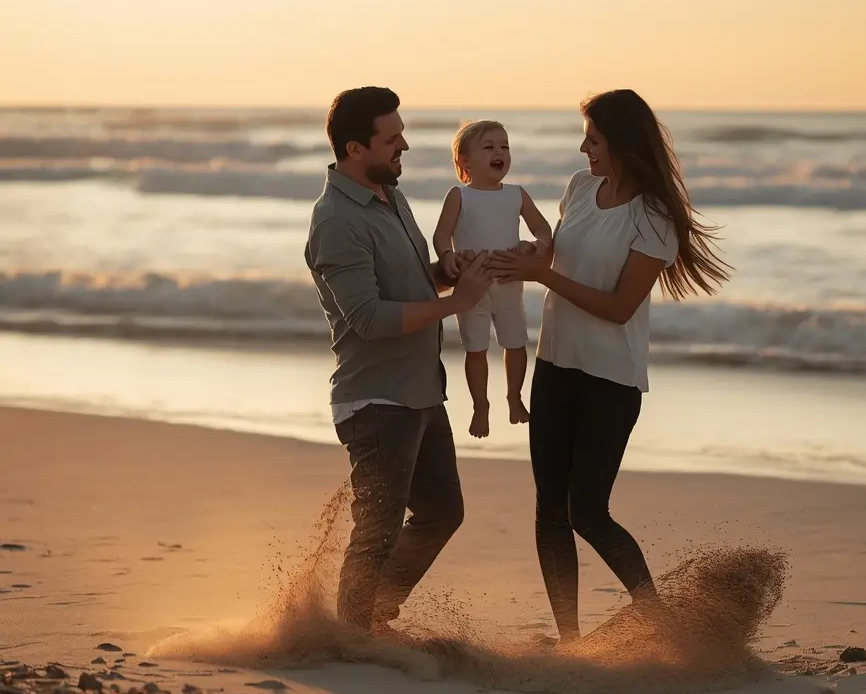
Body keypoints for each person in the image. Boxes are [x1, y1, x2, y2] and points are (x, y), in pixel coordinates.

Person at [491, 89, 730, 642]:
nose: (584, 148)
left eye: (593, 139)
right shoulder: (579, 189)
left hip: (611, 381)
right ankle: (571, 641)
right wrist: (522, 259)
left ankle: (662, 623)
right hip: (555, 365)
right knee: (550, 509)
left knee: (588, 512)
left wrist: (543, 279)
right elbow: (557, 257)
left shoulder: (654, 217)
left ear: (620, 143)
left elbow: (620, 308)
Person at [304, 87, 492, 634]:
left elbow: (406, 285)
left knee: (442, 513)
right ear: (355, 148)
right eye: (392, 138)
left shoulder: (391, 195)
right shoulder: (336, 221)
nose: (404, 144)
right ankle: (354, 636)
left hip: (420, 391)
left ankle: (369, 616)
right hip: (376, 400)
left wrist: (449, 272)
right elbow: (368, 318)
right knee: (377, 529)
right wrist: (454, 305)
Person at [432, 120, 552, 438]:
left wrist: (537, 247)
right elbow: (441, 235)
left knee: (516, 344)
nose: (499, 152)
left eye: (504, 146)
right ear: (465, 160)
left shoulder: (516, 194)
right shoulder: (459, 196)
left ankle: (514, 397)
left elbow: (542, 228)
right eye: (489, 147)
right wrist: (448, 257)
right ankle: (480, 406)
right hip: (473, 287)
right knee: (477, 349)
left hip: (510, 283)